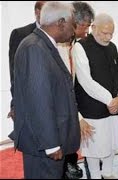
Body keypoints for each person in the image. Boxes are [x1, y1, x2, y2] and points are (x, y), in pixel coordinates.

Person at [12, 2, 79, 178]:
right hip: (43, 144)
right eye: (73, 23)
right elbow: (39, 99)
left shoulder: (44, 45)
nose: (74, 29)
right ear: (61, 22)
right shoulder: (35, 47)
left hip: (50, 139)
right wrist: (50, 144)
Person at [73, 13, 118, 179]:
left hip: (114, 106)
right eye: (105, 33)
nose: (108, 36)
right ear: (93, 28)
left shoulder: (113, 47)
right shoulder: (80, 46)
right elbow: (85, 80)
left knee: (111, 142)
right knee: (94, 147)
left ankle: (108, 172)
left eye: (111, 33)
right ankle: (96, 175)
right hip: (92, 107)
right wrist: (109, 100)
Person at [56, 1, 95, 179]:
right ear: (76, 23)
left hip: (74, 100)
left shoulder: (75, 43)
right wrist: (77, 116)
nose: (87, 31)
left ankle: (70, 163)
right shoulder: (57, 45)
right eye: (86, 27)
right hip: (61, 105)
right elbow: (62, 87)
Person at [7, 0, 46, 121]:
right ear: (37, 12)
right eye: (47, 11)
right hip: (28, 102)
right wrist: (16, 104)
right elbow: (15, 73)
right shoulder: (20, 34)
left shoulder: (61, 35)